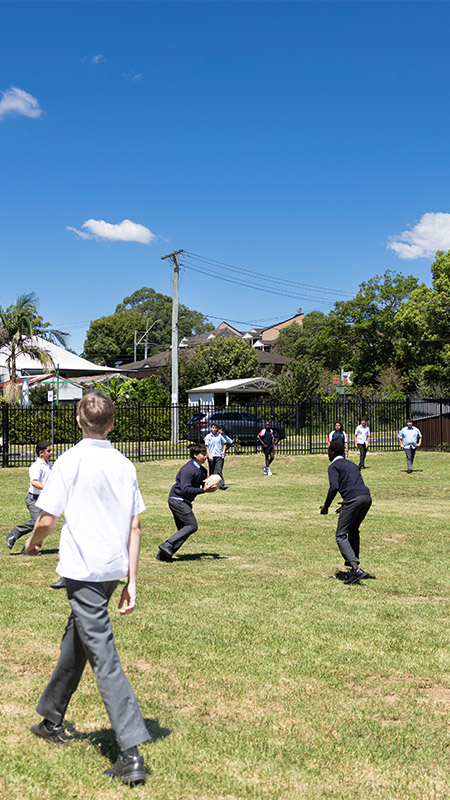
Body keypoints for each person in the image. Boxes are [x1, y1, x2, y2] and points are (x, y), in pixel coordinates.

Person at [24, 393, 150, 785]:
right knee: (77, 639)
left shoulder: (69, 461)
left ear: (79, 420)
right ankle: (50, 718)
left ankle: (130, 752)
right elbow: (134, 527)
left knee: (104, 656)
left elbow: (46, 517)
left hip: (83, 571)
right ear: (112, 423)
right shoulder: (124, 464)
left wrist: (34, 543)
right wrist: (131, 580)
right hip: (111, 569)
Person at [319, 439, 372, 584]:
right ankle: (354, 569)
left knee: (341, 535)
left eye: (328, 450)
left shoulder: (333, 466)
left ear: (333, 452)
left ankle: (355, 569)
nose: (328, 452)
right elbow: (353, 484)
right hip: (366, 497)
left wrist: (326, 506)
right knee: (353, 530)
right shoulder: (352, 464)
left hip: (353, 500)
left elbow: (334, 487)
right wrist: (345, 504)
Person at [157, 443, 216, 562]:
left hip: (184, 501)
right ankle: (167, 545)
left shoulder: (202, 470)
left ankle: (163, 556)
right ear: (195, 455)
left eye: (205, 454)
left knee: (184, 530)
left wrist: (209, 482)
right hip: (178, 500)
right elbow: (185, 489)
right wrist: (204, 490)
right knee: (191, 526)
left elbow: (202, 483)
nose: (205, 456)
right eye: (202, 454)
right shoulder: (188, 469)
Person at [6, 440, 52, 551]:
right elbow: (34, 482)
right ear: (41, 453)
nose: (51, 453)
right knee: (37, 522)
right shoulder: (37, 466)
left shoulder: (48, 465)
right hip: (34, 499)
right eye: (49, 451)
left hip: (44, 499)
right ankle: (14, 533)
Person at [204, 423, 229, 490]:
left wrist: (223, 451)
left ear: (217, 429)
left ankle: (221, 485)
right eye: (213, 427)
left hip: (219, 456)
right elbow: (206, 447)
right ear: (211, 428)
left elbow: (225, 443)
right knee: (211, 471)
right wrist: (209, 455)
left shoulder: (220, 436)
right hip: (211, 456)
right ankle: (211, 485)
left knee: (218, 470)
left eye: (215, 428)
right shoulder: (208, 437)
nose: (214, 429)